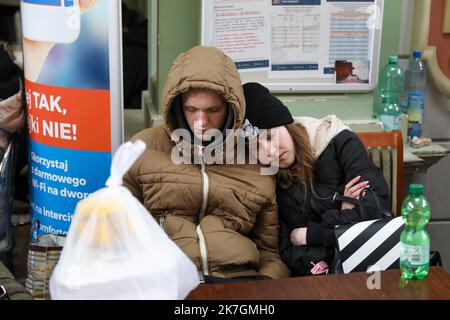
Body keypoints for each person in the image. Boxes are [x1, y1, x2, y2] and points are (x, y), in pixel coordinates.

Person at [123, 46, 290, 282]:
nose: (201, 122)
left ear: (232, 108)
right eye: (191, 109)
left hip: (237, 281)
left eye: (213, 110)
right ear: (177, 105)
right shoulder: (143, 147)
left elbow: (270, 253)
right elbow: (117, 232)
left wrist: (266, 284)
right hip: (165, 280)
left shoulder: (254, 160)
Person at [242, 82, 390, 276]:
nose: (270, 152)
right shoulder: (270, 177)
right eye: (256, 148)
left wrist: (309, 234)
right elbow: (288, 247)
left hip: (372, 270)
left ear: (286, 125)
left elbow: (375, 212)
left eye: (271, 136)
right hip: (318, 277)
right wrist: (342, 214)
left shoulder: (339, 141)